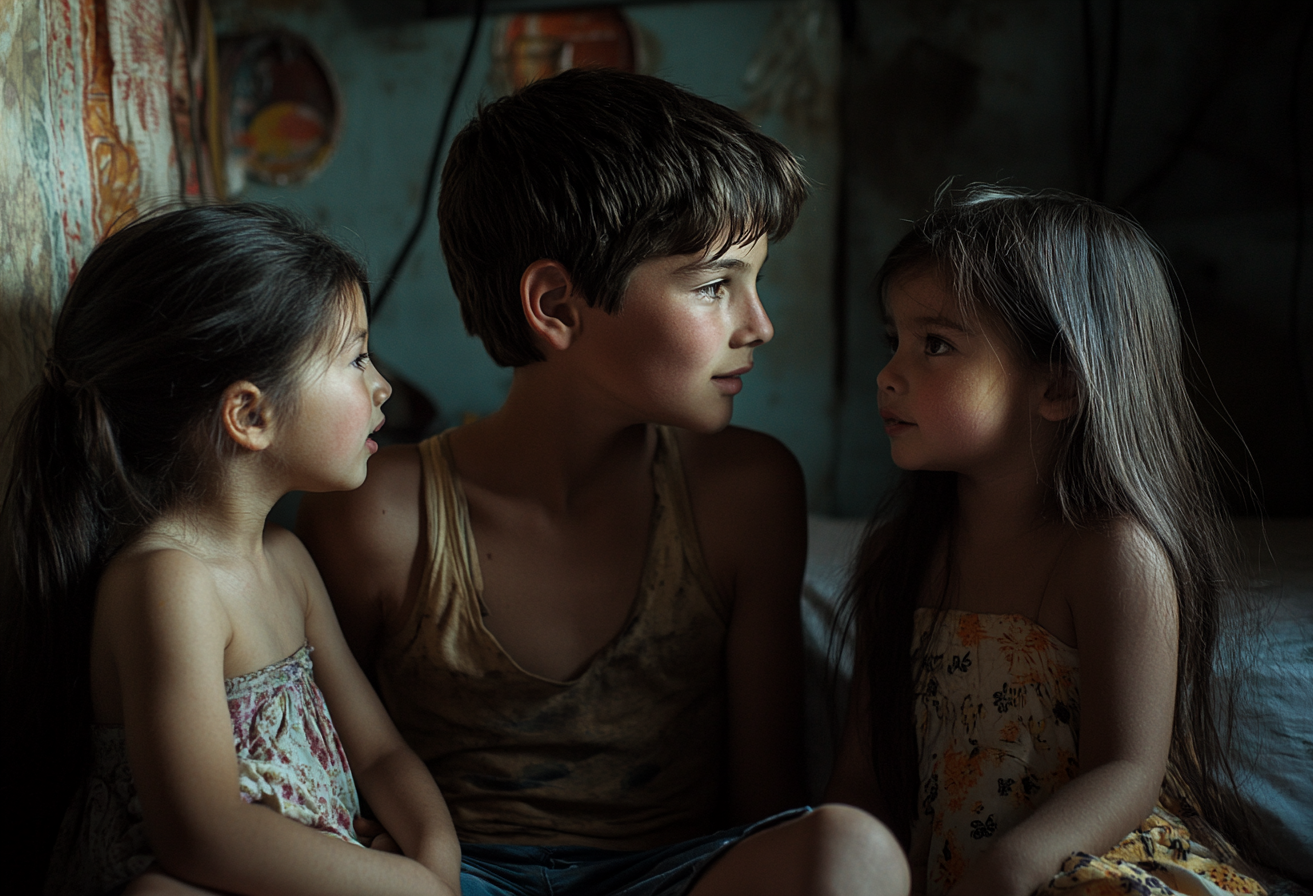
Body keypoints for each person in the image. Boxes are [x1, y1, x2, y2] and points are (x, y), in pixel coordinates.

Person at [297, 69, 908, 896]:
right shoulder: (376, 512)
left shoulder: (747, 492)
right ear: (557, 306)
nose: (758, 324)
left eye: (753, 283)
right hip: (451, 880)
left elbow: (765, 806)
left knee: (853, 853)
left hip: (670, 878)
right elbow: (335, 788)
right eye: (713, 285)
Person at [1, 204, 461, 896]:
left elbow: (382, 750)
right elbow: (202, 834)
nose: (382, 385)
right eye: (356, 357)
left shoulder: (286, 561)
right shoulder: (168, 582)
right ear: (250, 415)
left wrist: (433, 857)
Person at [825, 187, 1269, 896]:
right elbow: (861, 776)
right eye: (894, 341)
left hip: (1081, 862)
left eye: (934, 344)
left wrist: (1013, 868)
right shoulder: (898, 556)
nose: (888, 374)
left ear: (1058, 386)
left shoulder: (1111, 554)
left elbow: (1125, 771)